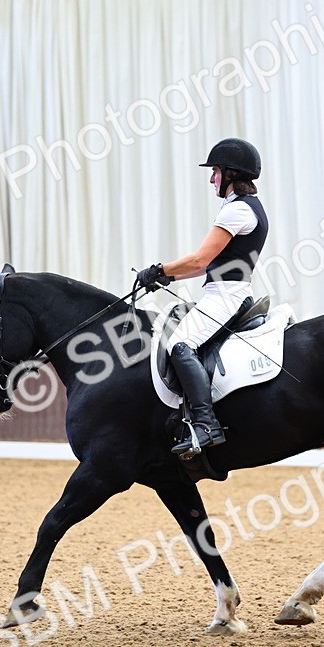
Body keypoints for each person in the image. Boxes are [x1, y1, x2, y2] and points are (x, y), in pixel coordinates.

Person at [136, 138, 269, 457]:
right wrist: (168, 276)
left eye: (216, 172)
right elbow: (206, 265)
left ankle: (205, 424)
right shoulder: (243, 208)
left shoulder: (238, 211)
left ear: (231, 174)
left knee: (180, 345)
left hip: (227, 295)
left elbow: (199, 260)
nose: (212, 178)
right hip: (225, 291)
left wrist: (158, 268)